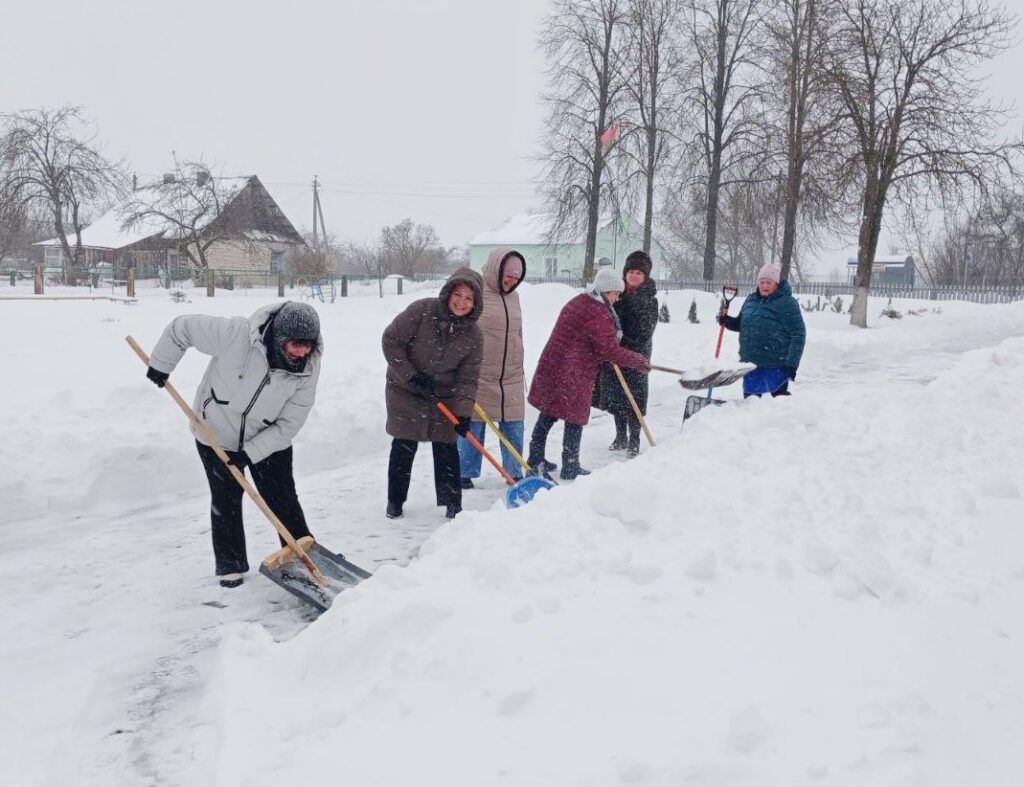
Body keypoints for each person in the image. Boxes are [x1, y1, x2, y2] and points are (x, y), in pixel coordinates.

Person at [145, 301, 323, 588]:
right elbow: (182, 328)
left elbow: (289, 424)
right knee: (225, 497)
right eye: (296, 345)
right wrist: (161, 364)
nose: (302, 353)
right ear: (279, 337)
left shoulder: (308, 368)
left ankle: (304, 558)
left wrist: (250, 454)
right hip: (215, 432)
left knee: (283, 500)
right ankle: (231, 565)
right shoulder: (236, 334)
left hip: (268, 439)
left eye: (308, 346)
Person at [527, 267, 651, 480]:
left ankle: (535, 459)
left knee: (549, 412)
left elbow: (591, 342)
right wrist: (638, 361)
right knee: (574, 417)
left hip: (556, 366)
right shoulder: (597, 312)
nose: (617, 298)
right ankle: (570, 466)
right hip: (573, 371)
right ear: (605, 291)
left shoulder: (580, 301)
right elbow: (609, 349)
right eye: (615, 294)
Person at [382, 268, 484, 520]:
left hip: (444, 394)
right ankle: (395, 501)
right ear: (448, 293)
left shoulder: (474, 336)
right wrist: (411, 376)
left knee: (446, 445)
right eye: (458, 294)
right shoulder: (422, 311)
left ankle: (453, 504)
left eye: (469, 298)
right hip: (405, 389)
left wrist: (463, 414)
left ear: (476, 303)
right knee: (404, 444)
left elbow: (468, 378)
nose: (462, 302)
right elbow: (391, 340)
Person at [457, 248, 527, 489]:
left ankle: (514, 471)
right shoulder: (477, 293)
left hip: (511, 373)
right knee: (474, 424)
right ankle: (464, 472)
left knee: (514, 424)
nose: (512, 281)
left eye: (516, 278)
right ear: (497, 270)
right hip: (481, 373)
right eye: (508, 276)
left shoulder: (514, 297)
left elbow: (517, 332)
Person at [592, 250, 659, 458]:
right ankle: (620, 435)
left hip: (636, 355)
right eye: (631, 272)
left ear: (645, 276)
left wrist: (622, 343)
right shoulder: (615, 294)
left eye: (639, 273)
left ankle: (634, 439)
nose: (634, 276)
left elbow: (645, 331)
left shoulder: (649, 299)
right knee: (616, 397)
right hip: (614, 354)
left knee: (635, 398)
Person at [718, 262, 806, 398]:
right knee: (751, 405)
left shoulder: (787, 303)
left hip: (776, 365)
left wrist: (792, 363)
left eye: (769, 282)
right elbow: (742, 325)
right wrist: (728, 322)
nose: (765, 286)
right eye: (762, 282)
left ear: (776, 284)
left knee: (778, 405)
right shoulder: (751, 300)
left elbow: (798, 334)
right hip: (751, 365)